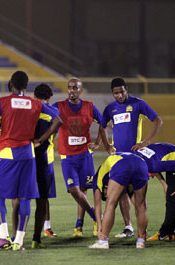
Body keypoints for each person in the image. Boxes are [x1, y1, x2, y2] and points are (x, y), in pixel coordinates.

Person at [0, 71, 62, 251]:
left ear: (11, 84)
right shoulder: (34, 103)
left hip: (8, 153)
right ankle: (18, 241)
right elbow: (58, 120)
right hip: (28, 154)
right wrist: (41, 140)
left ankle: (3, 237)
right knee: (25, 196)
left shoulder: (3, 102)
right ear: (26, 86)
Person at [101, 77, 163, 238]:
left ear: (126, 90)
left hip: (136, 156)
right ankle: (129, 227)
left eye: (122, 92)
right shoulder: (110, 109)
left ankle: (143, 232)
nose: (119, 95)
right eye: (116, 93)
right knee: (120, 192)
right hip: (119, 157)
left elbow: (158, 120)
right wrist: (107, 146)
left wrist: (146, 141)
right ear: (112, 93)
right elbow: (102, 127)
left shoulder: (138, 104)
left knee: (138, 196)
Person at [53, 78, 107, 237]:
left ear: (80, 90)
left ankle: (79, 227)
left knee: (84, 190)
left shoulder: (89, 106)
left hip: (85, 156)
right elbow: (45, 116)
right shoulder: (59, 106)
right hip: (67, 156)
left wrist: (99, 143)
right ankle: (96, 217)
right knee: (74, 190)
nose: (72, 91)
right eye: (69, 88)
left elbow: (103, 123)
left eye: (75, 88)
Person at [89, 152, 149, 249]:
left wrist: (100, 228)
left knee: (110, 204)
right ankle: (141, 240)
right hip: (141, 164)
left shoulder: (98, 179)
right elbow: (135, 199)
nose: (106, 194)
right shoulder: (120, 182)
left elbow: (97, 204)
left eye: (105, 194)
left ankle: (103, 241)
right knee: (141, 205)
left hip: (122, 165)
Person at [29, 83, 60, 248]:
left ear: (34, 97)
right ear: (49, 98)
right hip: (45, 161)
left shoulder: (29, 110)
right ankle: (36, 238)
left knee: (21, 199)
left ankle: (17, 236)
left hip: (26, 160)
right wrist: (42, 140)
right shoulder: (54, 112)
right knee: (42, 200)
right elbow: (56, 128)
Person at [131, 143, 175, 241]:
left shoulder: (154, 166)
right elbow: (150, 162)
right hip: (163, 155)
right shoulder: (136, 159)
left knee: (172, 198)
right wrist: (163, 183)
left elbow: (153, 166)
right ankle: (171, 231)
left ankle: (165, 233)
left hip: (172, 158)